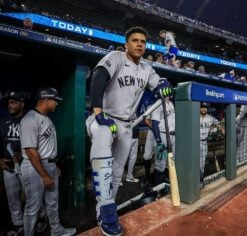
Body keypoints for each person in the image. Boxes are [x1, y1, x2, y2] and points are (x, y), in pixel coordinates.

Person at [85, 26, 172, 236]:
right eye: (135, 40)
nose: (139, 44)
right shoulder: (115, 57)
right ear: (127, 44)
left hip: (126, 124)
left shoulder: (146, 68)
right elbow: (98, 78)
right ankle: (105, 205)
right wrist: (98, 113)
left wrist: (163, 84)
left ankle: (107, 208)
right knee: (104, 134)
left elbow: (158, 83)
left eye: (143, 41)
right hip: (105, 117)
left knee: (117, 173)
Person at [19, 87, 76, 236]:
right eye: (54, 101)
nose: (56, 104)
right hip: (35, 167)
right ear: (45, 100)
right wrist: (44, 175)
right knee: (33, 207)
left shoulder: (46, 118)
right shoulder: (30, 120)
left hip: (48, 164)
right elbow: (31, 152)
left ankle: (57, 231)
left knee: (52, 202)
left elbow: (46, 146)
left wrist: (53, 164)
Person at [0, 92, 25, 235]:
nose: (10, 105)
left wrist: (23, 155)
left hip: (26, 165)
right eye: (9, 102)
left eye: (14, 102)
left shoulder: (29, 119)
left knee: (32, 195)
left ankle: (40, 219)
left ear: (22, 103)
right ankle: (18, 225)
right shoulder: (3, 122)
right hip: (8, 167)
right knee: (12, 198)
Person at [149, 96, 175, 185]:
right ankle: (156, 189)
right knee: (160, 165)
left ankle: (166, 184)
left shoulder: (171, 104)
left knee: (171, 162)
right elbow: (154, 124)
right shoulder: (158, 104)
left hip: (172, 136)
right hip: (163, 135)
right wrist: (159, 141)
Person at [199, 103, 220, 182]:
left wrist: (213, 128)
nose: (204, 109)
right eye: (202, 107)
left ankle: (200, 180)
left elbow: (218, 123)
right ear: (199, 108)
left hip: (204, 143)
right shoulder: (195, 116)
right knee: (195, 162)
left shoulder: (209, 118)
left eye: (205, 107)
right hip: (195, 142)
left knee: (202, 162)